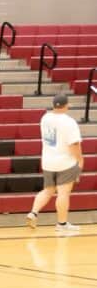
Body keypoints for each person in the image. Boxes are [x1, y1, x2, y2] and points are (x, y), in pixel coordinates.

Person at [27, 92, 84, 235]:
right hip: (65, 162)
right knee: (63, 193)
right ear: (67, 105)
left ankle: (33, 213)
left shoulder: (45, 118)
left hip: (48, 161)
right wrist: (80, 160)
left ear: (53, 105)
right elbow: (74, 144)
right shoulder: (69, 122)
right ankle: (62, 224)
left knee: (48, 190)